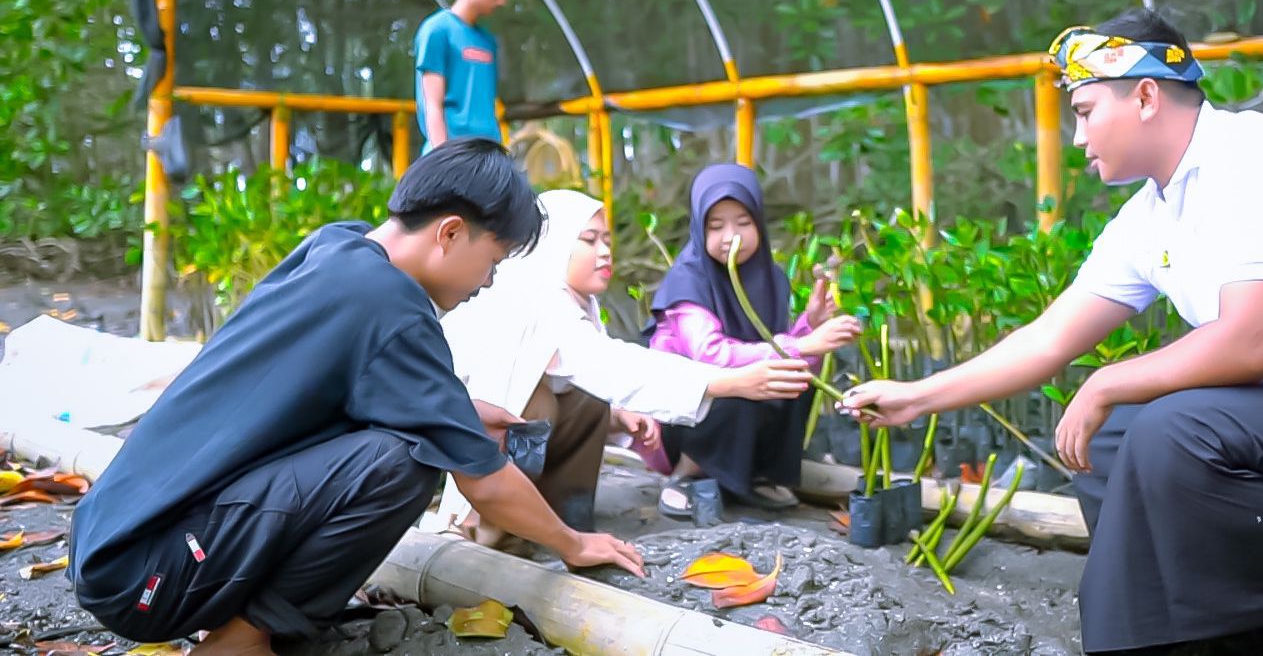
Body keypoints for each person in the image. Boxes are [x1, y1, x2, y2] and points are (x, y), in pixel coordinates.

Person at [842, 9, 1263, 656]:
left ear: (1148, 95)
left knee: (1170, 429)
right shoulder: (1147, 217)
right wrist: (916, 396)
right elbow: (1048, 339)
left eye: (1085, 111)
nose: (1078, 139)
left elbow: (1254, 341)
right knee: (1112, 443)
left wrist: (1107, 380)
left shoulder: (1253, 155)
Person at [68, 139, 644, 656]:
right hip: (149, 578)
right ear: (449, 232)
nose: (486, 283)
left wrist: (456, 410)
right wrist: (574, 542)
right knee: (408, 461)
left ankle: (250, 620)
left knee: (411, 439)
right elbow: (485, 481)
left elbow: (315, 387)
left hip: (112, 546)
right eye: (491, 262)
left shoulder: (337, 248)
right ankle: (241, 641)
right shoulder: (391, 308)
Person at [429, 188, 815, 542]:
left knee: (589, 401)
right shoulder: (533, 299)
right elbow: (605, 362)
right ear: (553, 245)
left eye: (608, 241)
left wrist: (617, 414)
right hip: (457, 445)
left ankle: (564, 520)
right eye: (589, 240)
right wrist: (728, 382)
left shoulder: (576, 303)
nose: (604, 252)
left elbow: (590, 368)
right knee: (537, 408)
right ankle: (490, 529)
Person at [647, 164, 862, 514]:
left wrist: (811, 325)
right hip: (684, 414)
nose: (732, 236)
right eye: (716, 226)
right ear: (699, 229)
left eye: (744, 223)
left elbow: (778, 351)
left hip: (743, 397)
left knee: (795, 381)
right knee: (737, 384)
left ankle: (760, 473)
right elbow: (710, 356)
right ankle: (686, 472)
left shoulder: (771, 279)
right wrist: (803, 345)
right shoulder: (687, 281)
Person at [414, 0, 526, 151]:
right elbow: (432, 104)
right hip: (451, 152)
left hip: (487, 153)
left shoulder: (487, 41)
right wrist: (442, 157)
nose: (502, 1)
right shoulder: (437, 30)